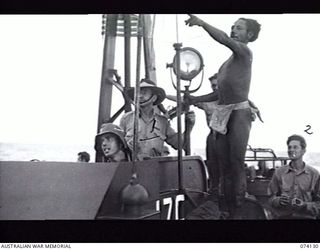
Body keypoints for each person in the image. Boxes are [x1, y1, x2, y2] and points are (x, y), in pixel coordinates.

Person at [185, 15, 261, 215]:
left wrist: (202, 23)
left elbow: (224, 39)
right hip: (224, 113)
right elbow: (219, 93)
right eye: (233, 27)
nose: (234, 30)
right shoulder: (227, 63)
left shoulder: (245, 52)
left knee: (236, 163)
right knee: (223, 163)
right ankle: (225, 209)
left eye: (239, 28)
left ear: (249, 34)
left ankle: (237, 209)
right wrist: (193, 99)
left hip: (239, 113)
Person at [120, 78, 195, 161]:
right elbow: (118, 146)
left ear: (154, 98)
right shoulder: (126, 119)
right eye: (138, 93)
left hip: (155, 168)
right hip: (131, 168)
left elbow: (178, 144)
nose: (140, 96)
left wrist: (189, 127)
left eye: (144, 93)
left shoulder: (163, 122)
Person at [268, 134, 320, 219]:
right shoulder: (279, 172)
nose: (291, 150)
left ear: (303, 151)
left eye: (295, 147)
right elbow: (270, 199)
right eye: (289, 147)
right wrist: (278, 201)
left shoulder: (314, 174)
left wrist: (305, 205)